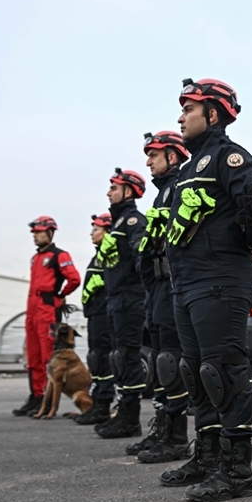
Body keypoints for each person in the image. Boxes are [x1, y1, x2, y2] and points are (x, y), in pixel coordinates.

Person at [157, 78, 252, 502]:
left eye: (187, 109)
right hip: (185, 282)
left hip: (220, 278)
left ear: (213, 113)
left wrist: (244, 245)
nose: (180, 117)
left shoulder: (229, 156)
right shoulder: (188, 168)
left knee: (222, 370)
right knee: (194, 371)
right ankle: (205, 457)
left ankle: (237, 471)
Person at [126, 130, 193, 463]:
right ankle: (163, 429)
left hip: (170, 285)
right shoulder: (161, 194)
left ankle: (177, 437)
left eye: (154, 155)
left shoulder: (179, 188)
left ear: (173, 156)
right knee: (158, 360)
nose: (149, 161)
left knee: (169, 360)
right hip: (154, 287)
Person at [94, 169, 150, 438]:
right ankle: (123, 414)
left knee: (128, 356)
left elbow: (142, 260)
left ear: (129, 191)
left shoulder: (133, 222)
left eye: (114, 188)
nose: (108, 192)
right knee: (119, 357)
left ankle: (130, 420)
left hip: (131, 298)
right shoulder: (117, 224)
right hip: (115, 299)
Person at [13, 216, 80, 417]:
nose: (36, 236)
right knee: (32, 356)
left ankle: (46, 399)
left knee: (46, 355)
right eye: (34, 233)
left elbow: (74, 278)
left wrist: (60, 295)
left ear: (50, 233)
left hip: (47, 309)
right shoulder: (35, 259)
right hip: (32, 309)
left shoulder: (59, 255)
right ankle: (35, 396)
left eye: (39, 232)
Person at [74, 213, 116, 425]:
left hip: (104, 313)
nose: (92, 233)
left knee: (103, 358)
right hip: (95, 313)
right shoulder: (99, 255)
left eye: (96, 229)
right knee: (96, 359)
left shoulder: (110, 253)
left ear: (107, 230)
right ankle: (97, 403)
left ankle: (103, 405)